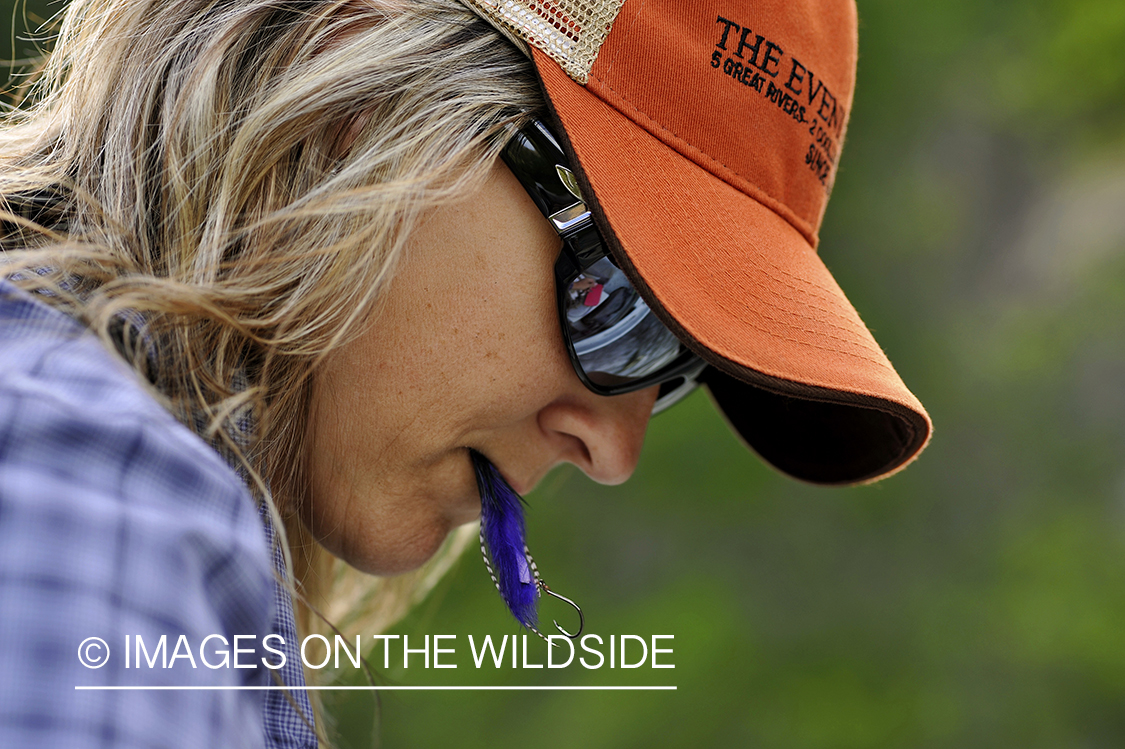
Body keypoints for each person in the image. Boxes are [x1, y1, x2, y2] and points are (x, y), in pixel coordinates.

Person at [0, 0, 932, 747]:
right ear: (350, 96)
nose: (612, 447)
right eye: (621, 300)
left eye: (675, 362)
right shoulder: (99, 486)